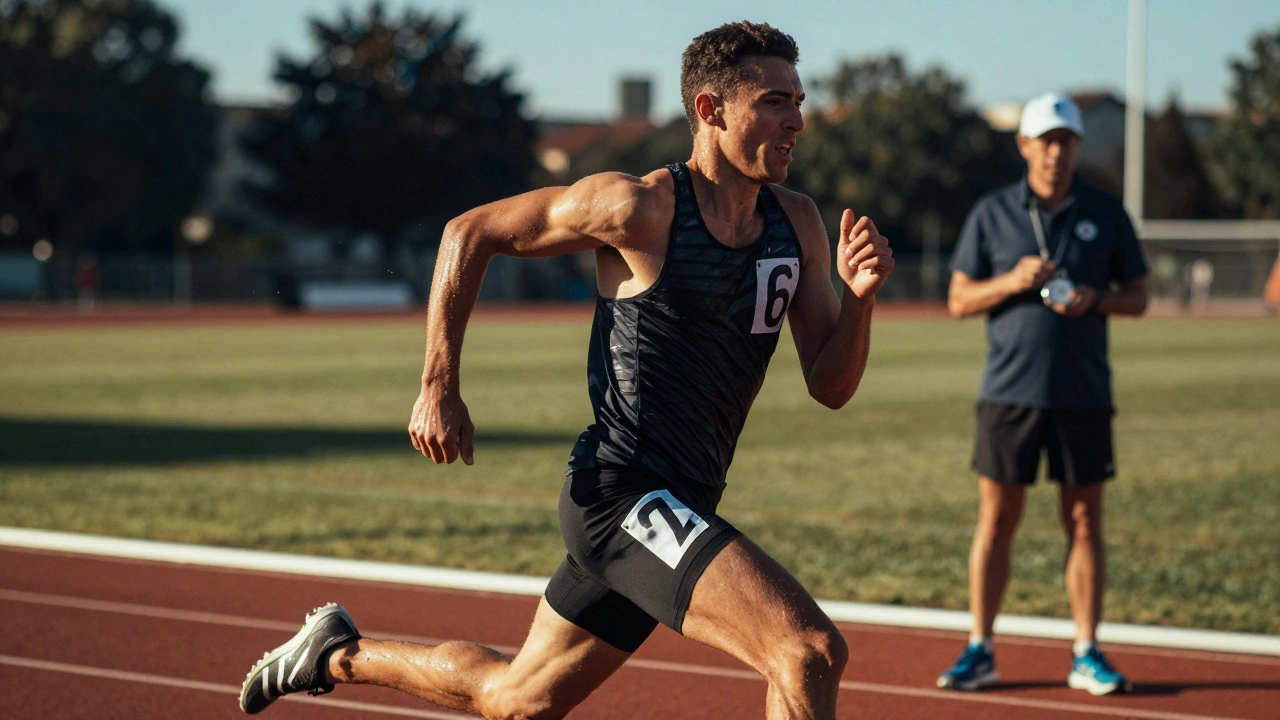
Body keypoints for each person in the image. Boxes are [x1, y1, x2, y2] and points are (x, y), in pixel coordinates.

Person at [238, 21, 895, 719]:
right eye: (773, 101)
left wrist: (859, 300)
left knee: (516, 697)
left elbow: (830, 387)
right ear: (710, 110)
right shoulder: (637, 208)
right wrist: (437, 385)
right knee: (805, 650)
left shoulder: (798, 224)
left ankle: (336, 652)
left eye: (798, 99)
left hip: (685, 501)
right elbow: (470, 232)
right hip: (620, 496)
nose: (797, 119)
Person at [936, 93, 1149, 697]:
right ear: (1024, 145)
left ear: (1078, 146)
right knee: (996, 522)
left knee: (1084, 522)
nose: (1057, 151)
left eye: (1067, 140)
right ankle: (981, 648)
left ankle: (1086, 650)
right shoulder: (993, 211)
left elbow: (1138, 296)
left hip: (1083, 393)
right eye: (1046, 140)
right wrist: (1011, 281)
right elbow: (957, 300)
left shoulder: (1106, 212)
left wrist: (1094, 299)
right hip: (1009, 393)